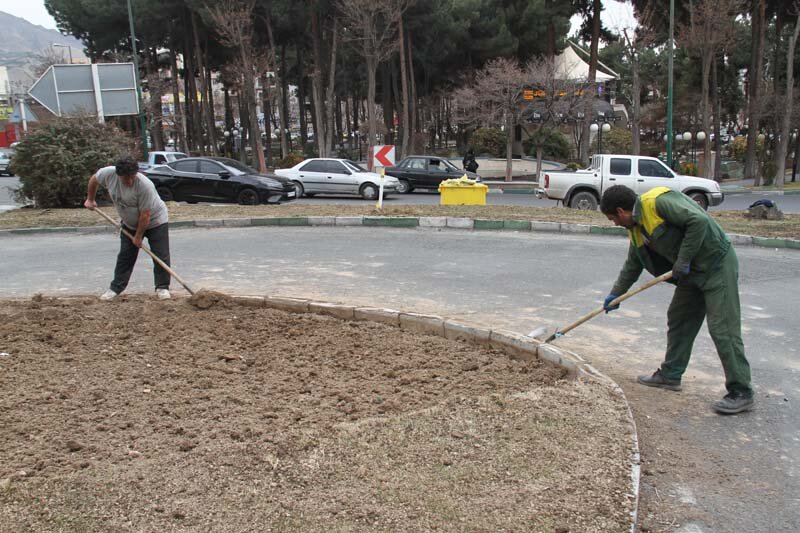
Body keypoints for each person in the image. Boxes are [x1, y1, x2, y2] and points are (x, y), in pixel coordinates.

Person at [600, 184, 753, 415]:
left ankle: (741, 391)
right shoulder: (635, 229)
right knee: (679, 319)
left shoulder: (658, 202)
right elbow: (633, 265)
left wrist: (683, 259)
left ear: (621, 211)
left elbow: (698, 221)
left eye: (613, 218)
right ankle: (670, 375)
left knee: (723, 328)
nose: (614, 223)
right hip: (690, 275)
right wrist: (616, 294)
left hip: (716, 265)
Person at [84, 155, 172, 301]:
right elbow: (94, 179)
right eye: (126, 178)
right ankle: (115, 289)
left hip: (156, 221)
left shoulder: (145, 185)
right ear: (118, 175)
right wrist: (90, 199)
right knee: (125, 256)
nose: (130, 181)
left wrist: (138, 237)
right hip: (130, 223)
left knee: (160, 255)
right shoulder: (108, 174)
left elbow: (145, 215)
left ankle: (162, 288)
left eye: (132, 177)